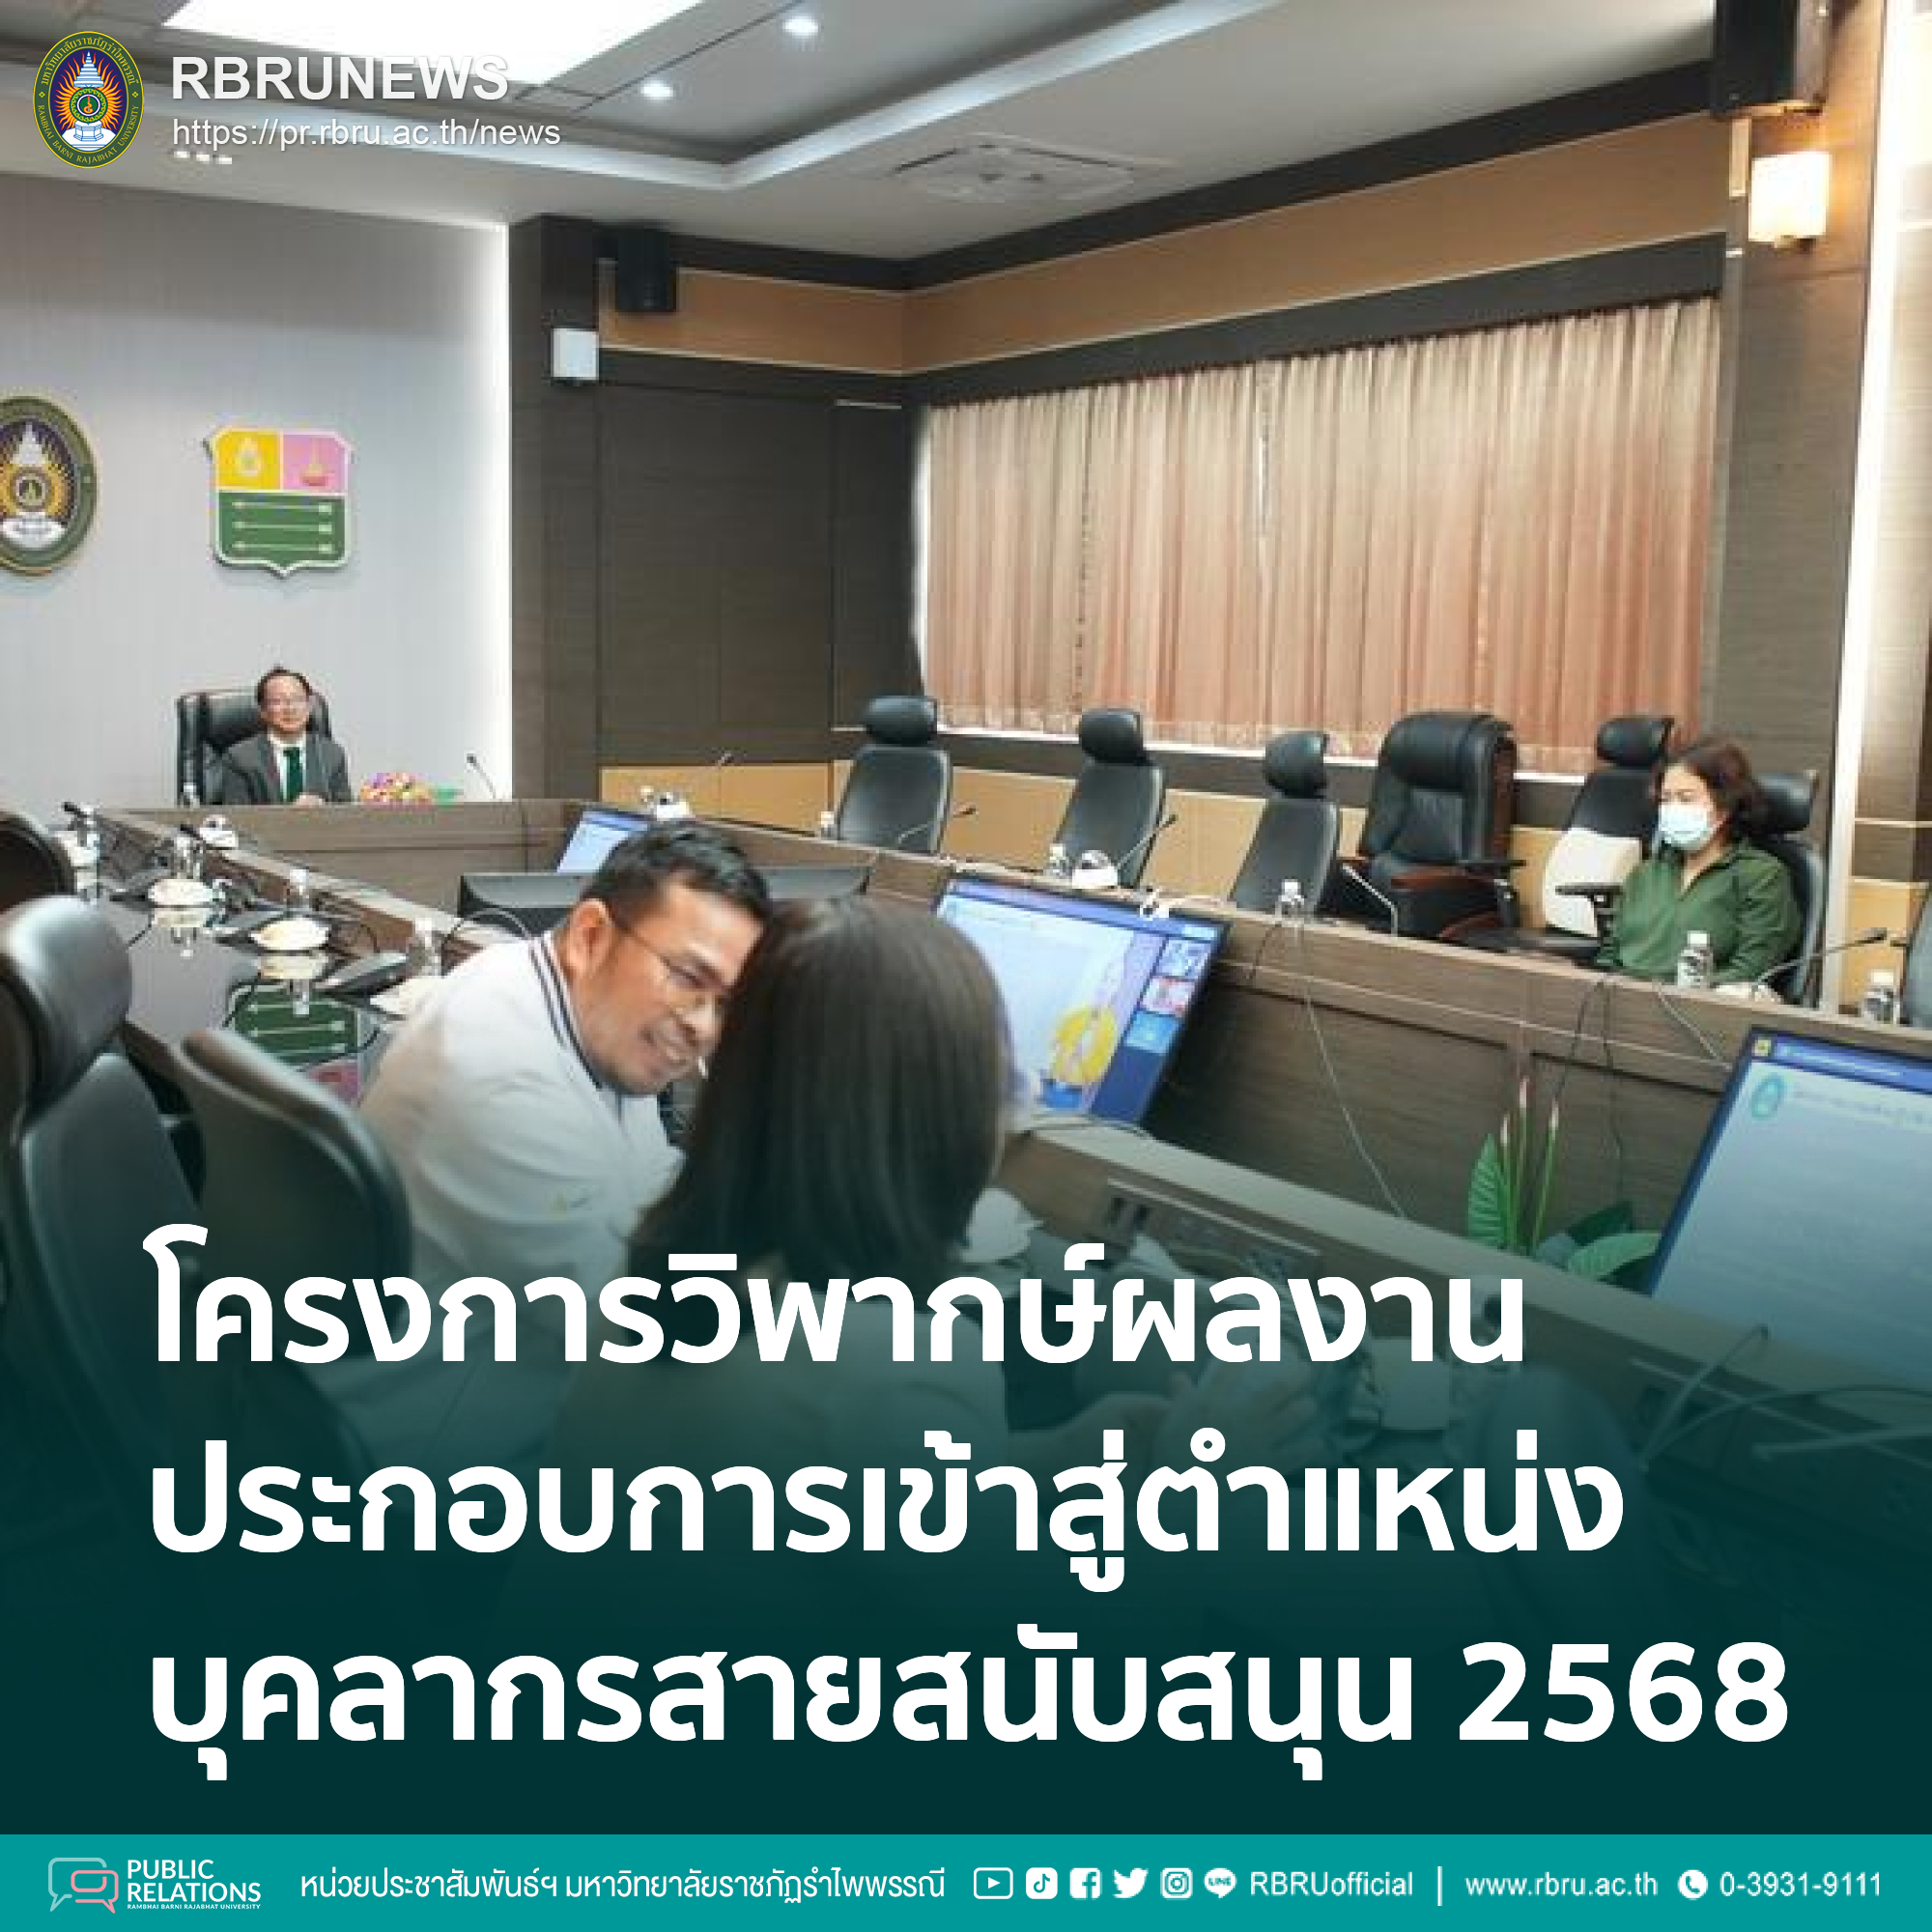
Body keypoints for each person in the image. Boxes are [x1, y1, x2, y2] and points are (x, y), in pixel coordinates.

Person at [334, 823, 770, 1468]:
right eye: (687, 977)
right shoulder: (501, 1074)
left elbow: (653, 1191)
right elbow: (639, 1335)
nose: (703, 1027)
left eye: (726, 1004)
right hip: (443, 1467)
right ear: (591, 936)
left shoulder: (584, 1015)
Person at [1597, 734, 1800, 987]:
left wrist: (1673, 993)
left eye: (1686, 798)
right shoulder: (1645, 873)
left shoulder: (1761, 876)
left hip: (1703, 1005)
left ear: (1724, 807)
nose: (1672, 809)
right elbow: (1610, 956)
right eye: (1665, 799)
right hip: (1625, 1000)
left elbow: (1752, 970)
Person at [213, 666, 353, 806]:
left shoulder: (331, 754)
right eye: (278, 701)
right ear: (262, 711)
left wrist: (323, 807)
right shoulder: (239, 758)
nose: (290, 708)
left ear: (310, 706)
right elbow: (238, 815)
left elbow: (346, 812)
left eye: (297, 699)